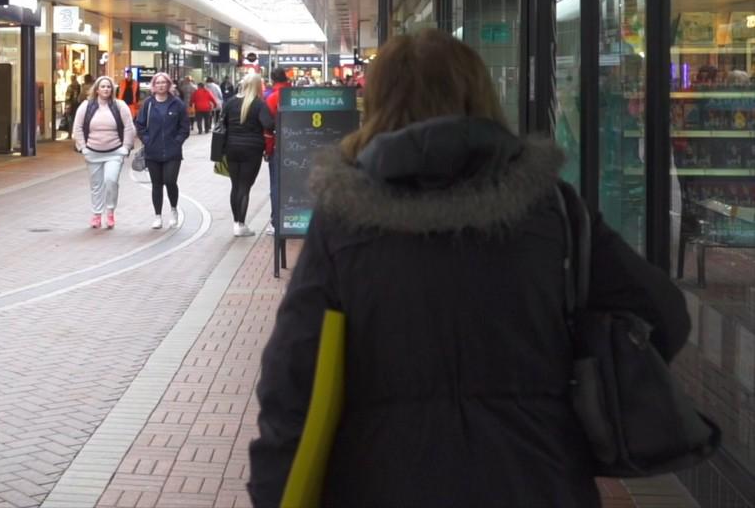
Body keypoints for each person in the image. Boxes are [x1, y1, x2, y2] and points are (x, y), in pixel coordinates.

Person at [247, 29, 691, 508]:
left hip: (380, 480)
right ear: (482, 95)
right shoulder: (554, 209)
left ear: (376, 103)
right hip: (539, 478)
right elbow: (663, 314)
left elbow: (291, 377)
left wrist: (273, 489)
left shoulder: (342, 220)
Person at [71, 76, 136, 229]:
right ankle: (96, 214)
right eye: (103, 86)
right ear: (97, 89)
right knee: (96, 185)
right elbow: (77, 127)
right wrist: (83, 148)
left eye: (109, 87)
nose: (106, 89)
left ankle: (110, 211)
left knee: (111, 181)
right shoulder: (86, 106)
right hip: (92, 153)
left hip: (115, 152)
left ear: (112, 90)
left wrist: (125, 147)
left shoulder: (119, 105)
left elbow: (129, 127)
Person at [221, 72, 273, 237]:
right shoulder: (259, 104)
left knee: (235, 186)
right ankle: (241, 225)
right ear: (257, 86)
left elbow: (222, 123)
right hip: (252, 149)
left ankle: (236, 223)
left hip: (231, 148)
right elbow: (269, 124)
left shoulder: (230, 103)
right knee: (245, 187)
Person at [135, 72, 190, 229]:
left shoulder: (177, 104)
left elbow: (184, 127)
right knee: (156, 184)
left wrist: (177, 142)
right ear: (153, 86)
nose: (160, 85)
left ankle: (173, 209)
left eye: (163, 82)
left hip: (172, 152)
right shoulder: (148, 104)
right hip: (153, 151)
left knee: (170, 181)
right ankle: (157, 216)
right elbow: (140, 125)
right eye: (157, 83)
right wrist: (147, 140)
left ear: (168, 85)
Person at [262, 67, 291, 235]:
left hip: (278, 148)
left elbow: (268, 129)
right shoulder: (295, 95)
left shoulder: (272, 98)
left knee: (276, 185)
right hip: (301, 146)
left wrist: (267, 150)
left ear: (273, 80)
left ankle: (276, 222)